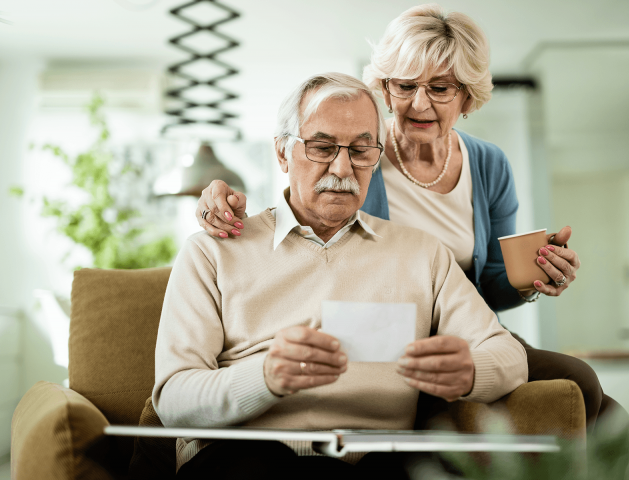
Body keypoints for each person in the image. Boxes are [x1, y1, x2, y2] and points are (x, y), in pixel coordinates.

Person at [192, 3, 629, 456]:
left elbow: (493, 285)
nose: (419, 104)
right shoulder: (359, 152)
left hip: (459, 328)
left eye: (440, 88)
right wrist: (219, 199)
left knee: (601, 404)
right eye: (404, 86)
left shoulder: (488, 164)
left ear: (467, 95)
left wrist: (535, 276)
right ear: (385, 88)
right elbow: (297, 207)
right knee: (579, 387)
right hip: (383, 333)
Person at [154, 72, 528, 479]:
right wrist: (264, 376)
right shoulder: (212, 250)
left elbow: (509, 357)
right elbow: (173, 399)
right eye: (322, 147)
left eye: (362, 150)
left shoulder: (423, 253)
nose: (343, 167)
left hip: (377, 463)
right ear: (282, 153)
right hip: (248, 457)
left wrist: (471, 371)